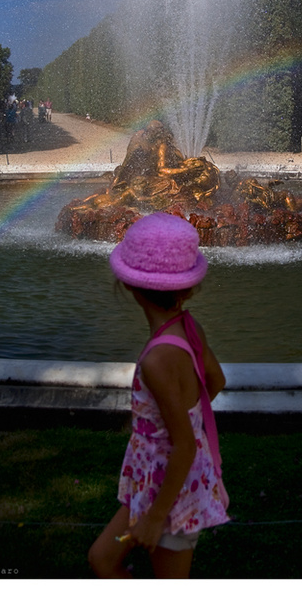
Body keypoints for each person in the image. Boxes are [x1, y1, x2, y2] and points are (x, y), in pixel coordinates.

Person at [88, 212, 229, 579]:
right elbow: (216, 380)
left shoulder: (157, 359)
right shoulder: (188, 326)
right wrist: (188, 413)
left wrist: (153, 519)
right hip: (154, 478)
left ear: (131, 286)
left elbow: (183, 446)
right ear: (187, 288)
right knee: (103, 558)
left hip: (171, 493)